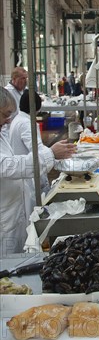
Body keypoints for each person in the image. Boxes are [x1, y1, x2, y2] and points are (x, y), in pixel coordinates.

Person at [0, 87, 76, 256]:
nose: (7, 120)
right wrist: (51, 154)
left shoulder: (4, 130)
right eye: (5, 114)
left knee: (18, 257)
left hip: (15, 208)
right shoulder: (24, 123)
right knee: (7, 262)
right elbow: (8, 167)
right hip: (6, 216)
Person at [9, 90, 66, 221]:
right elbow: (38, 150)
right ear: (37, 107)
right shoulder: (26, 124)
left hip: (26, 174)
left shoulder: (18, 119)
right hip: (29, 178)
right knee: (33, 218)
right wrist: (55, 154)